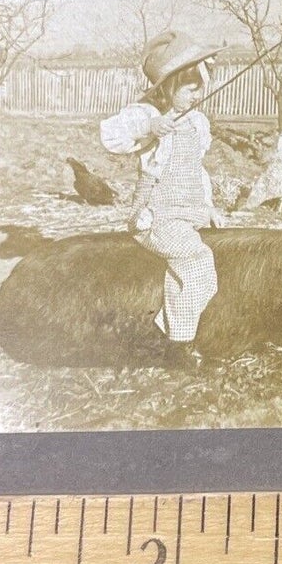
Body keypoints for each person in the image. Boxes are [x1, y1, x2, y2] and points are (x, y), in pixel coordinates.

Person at [100, 31, 228, 349]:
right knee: (196, 261)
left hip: (190, 211)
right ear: (168, 85)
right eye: (190, 87)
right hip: (159, 216)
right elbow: (111, 135)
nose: (197, 95)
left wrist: (208, 205)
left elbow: (195, 169)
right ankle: (177, 340)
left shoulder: (196, 122)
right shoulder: (146, 115)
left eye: (202, 87)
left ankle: (190, 321)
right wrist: (148, 128)